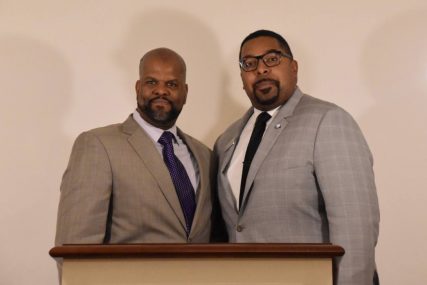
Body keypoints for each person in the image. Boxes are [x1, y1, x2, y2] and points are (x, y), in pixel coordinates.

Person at [214, 30, 380, 284]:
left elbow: (356, 230)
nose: (261, 69)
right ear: (242, 77)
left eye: (272, 59)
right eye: (249, 63)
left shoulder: (328, 121)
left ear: (294, 67)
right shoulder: (226, 140)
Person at [55, 48, 218, 247]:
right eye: (151, 82)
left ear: (185, 93)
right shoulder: (98, 145)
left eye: (172, 84)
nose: (161, 90)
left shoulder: (205, 156)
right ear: (138, 88)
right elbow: (75, 247)